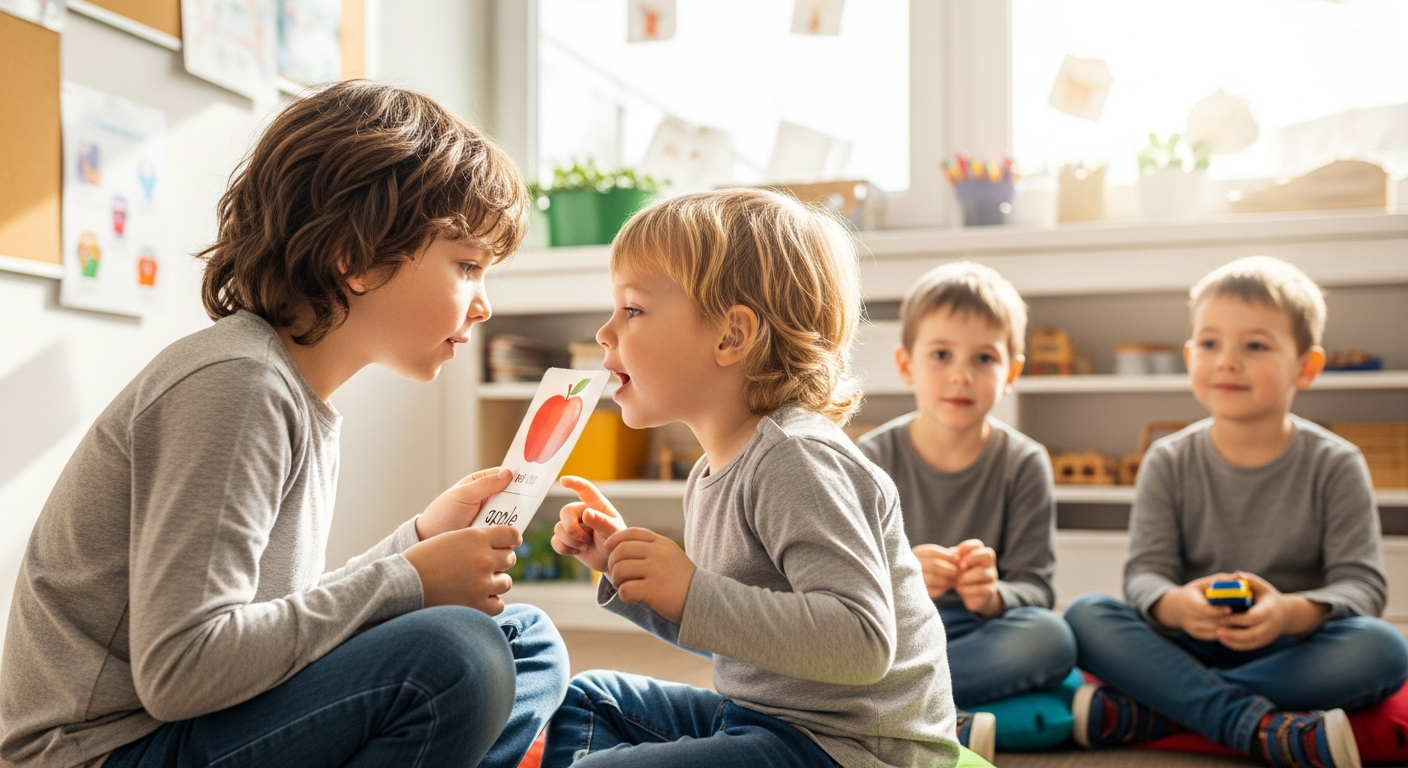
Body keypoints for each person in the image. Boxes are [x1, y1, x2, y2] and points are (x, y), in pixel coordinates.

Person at [0, 81, 568, 768]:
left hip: (184, 728)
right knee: (457, 654)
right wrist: (409, 581)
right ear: (356, 258)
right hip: (106, 751)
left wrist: (413, 544)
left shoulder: (289, 389)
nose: (483, 306)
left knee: (526, 641)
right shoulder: (237, 386)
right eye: (469, 266)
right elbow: (184, 669)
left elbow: (275, 624)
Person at [542, 189, 960, 767]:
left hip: (852, 749)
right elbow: (744, 640)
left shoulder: (796, 459)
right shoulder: (713, 470)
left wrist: (692, 590)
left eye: (633, 310)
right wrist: (632, 573)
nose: (605, 332)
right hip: (766, 720)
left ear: (732, 337)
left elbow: (862, 642)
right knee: (588, 700)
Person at [1064, 256, 1408, 768]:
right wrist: (1178, 606)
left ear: (1306, 367)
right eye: (1209, 344)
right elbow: (1144, 575)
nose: (1227, 360)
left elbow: (1362, 586)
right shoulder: (1169, 458)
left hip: (1291, 653)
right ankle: (1257, 726)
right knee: (1086, 615)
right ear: (1189, 357)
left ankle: (1160, 712)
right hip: (1187, 646)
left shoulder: (1336, 463)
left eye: (1255, 345)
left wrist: (1290, 613)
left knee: (1382, 649)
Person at [857, 262, 1074, 726]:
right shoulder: (870, 456)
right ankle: (942, 717)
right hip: (895, 636)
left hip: (982, 633)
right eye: (941, 355)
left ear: (1011, 371)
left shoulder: (1025, 462)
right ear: (905, 365)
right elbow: (846, 584)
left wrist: (993, 596)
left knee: (1051, 638)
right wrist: (906, 578)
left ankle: (894, 711)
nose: (961, 376)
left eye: (984, 359)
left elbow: (1036, 588)